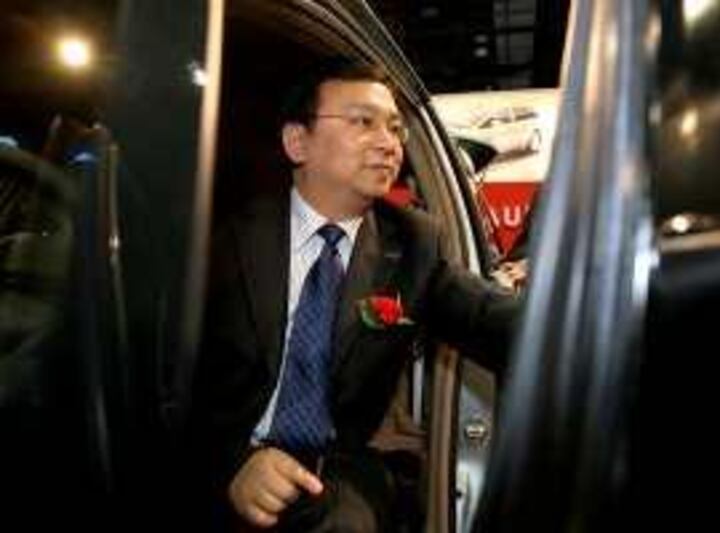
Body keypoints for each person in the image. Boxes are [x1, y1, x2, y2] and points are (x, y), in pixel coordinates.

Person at [188, 58, 519, 532]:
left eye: (394, 128)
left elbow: (493, 316)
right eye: (363, 123)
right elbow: (160, 375)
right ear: (297, 142)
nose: (389, 144)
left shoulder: (415, 245)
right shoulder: (220, 233)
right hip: (216, 457)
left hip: (333, 471)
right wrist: (235, 463)